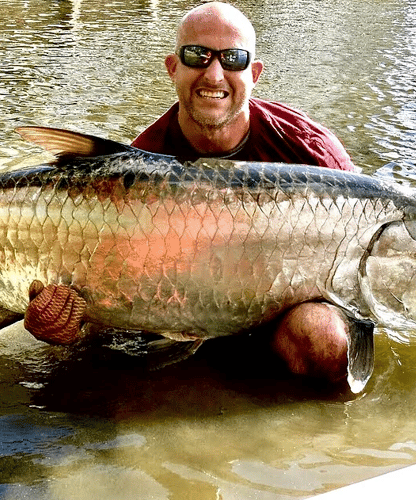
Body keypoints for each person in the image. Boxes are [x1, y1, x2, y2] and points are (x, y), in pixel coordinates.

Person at [25, 2, 356, 387]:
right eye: (197, 56)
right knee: (90, 362)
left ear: (254, 73)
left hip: (282, 317)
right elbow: (102, 290)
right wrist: (62, 322)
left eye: (233, 59)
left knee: (324, 340)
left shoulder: (311, 152)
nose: (214, 74)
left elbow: (359, 267)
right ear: (172, 67)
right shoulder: (140, 163)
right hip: (175, 313)